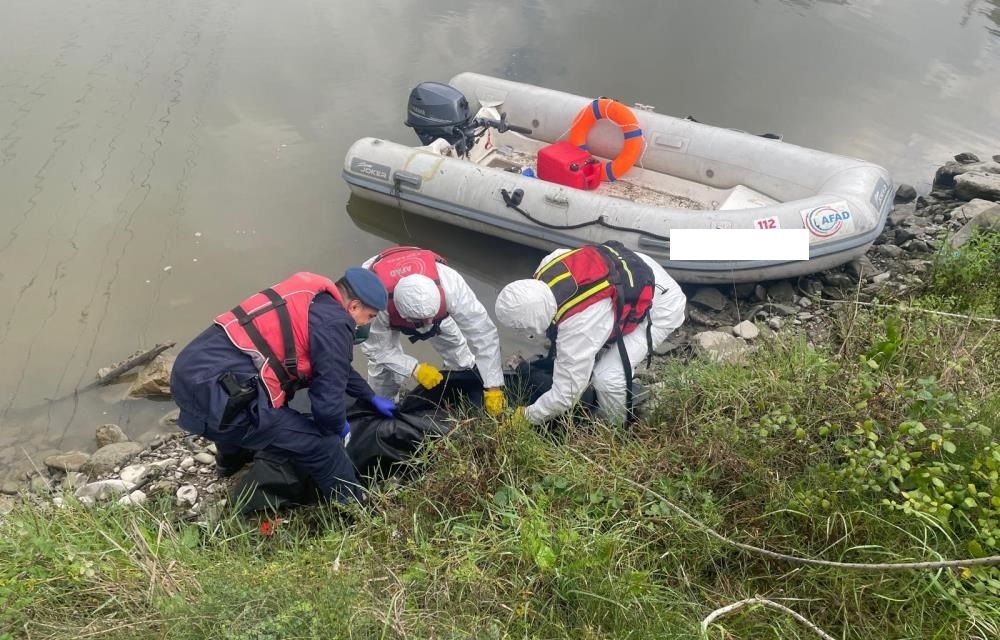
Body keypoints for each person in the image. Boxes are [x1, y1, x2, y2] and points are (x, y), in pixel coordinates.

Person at [169, 269, 397, 504]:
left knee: (236, 408)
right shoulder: (336, 323)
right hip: (219, 396)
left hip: (189, 374)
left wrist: (369, 396)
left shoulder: (311, 298)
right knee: (324, 447)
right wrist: (339, 427)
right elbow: (327, 409)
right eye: (369, 316)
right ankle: (355, 512)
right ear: (354, 306)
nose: (366, 324)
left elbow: (335, 367)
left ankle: (229, 466)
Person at [494, 240, 686, 425]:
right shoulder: (546, 267)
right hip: (631, 269)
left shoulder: (580, 326)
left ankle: (613, 428)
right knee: (590, 360)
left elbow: (565, 396)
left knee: (607, 377)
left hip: (660, 305)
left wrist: (525, 417)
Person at [360, 246, 506, 416]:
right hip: (387, 306)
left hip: (436, 311)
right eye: (419, 322)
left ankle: (461, 380)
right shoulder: (373, 300)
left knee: (458, 354)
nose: (426, 325)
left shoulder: (451, 285)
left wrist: (493, 385)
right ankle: (385, 409)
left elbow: (483, 333)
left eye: (430, 317)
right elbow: (376, 350)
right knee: (383, 372)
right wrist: (414, 369)